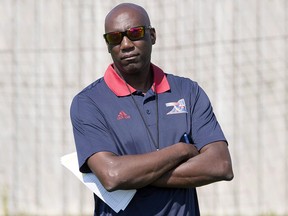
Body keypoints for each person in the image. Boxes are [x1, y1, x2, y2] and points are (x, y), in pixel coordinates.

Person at [70, 3, 234, 216]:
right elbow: (112, 175)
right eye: (115, 38)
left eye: (135, 33)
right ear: (108, 45)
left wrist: (134, 175)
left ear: (153, 36)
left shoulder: (187, 91)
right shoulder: (89, 102)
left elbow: (220, 165)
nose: (126, 44)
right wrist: (182, 151)